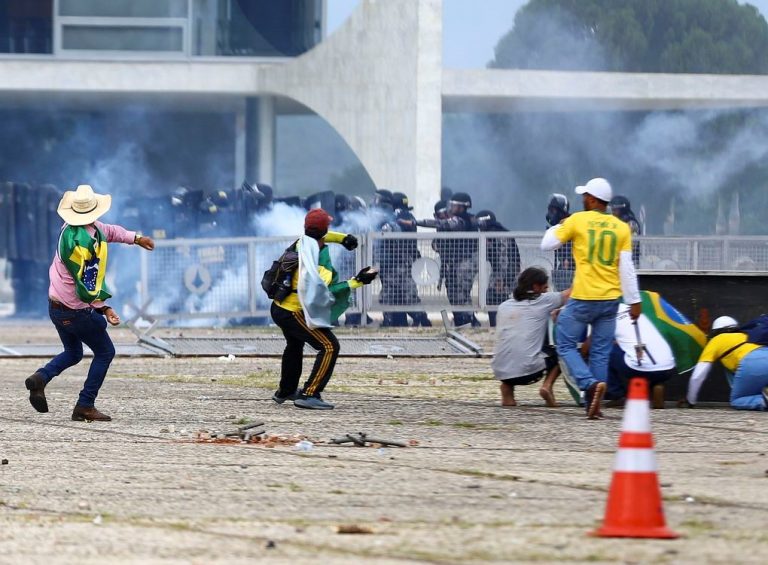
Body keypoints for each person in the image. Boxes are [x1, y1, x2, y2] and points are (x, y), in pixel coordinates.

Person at [24, 184, 155, 422]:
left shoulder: (74, 228)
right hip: (74, 310)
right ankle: (85, 405)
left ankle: (41, 378)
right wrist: (104, 308)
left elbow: (110, 231)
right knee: (105, 351)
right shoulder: (78, 247)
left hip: (56, 307)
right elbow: (87, 286)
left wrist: (136, 238)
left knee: (73, 352)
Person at [540, 178, 641, 419]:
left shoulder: (578, 220)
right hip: (611, 300)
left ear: (594, 200)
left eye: (585, 195)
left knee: (564, 343)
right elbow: (627, 268)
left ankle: (588, 384)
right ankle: (593, 405)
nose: (583, 199)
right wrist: (634, 301)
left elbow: (547, 244)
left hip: (584, 297)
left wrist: (560, 225)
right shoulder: (621, 228)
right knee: (600, 352)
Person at [270, 209, 376, 410]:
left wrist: (343, 239)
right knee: (329, 346)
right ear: (324, 230)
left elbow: (321, 235)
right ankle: (310, 394)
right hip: (293, 312)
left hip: (279, 307)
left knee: (295, 345)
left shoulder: (302, 242)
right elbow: (325, 291)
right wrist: (358, 281)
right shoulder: (318, 261)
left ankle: (286, 390)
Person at [606, 290, 705, 409]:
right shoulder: (643, 311)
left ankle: (617, 395)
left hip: (639, 369)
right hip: (668, 369)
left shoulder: (606, 315)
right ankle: (655, 386)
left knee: (603, 351)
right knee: (644, 357)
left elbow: (594, 344)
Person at [492, 267, 570, 407]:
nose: (547, 290)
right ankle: (547, 386)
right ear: (536, 287)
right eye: (545, 287)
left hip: (501, 371)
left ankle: (507, 391)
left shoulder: (504, 306)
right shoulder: (543, 300)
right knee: (564, 351)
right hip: (528, 372)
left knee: (515, 344)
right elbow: (571, 293)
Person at [417, 192, 479, 327]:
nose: (451, 209)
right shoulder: (448, 225)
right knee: (453, 295)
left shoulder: (463, 220)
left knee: (461, 295)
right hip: (452, 265)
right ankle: (461, 322)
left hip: (464, 263)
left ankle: (470, 322)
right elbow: (436, 244)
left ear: (462, 207)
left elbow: (444, 227)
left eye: (454, 206)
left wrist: (415, 222)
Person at [685, 316, 768, 411]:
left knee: (737, 400)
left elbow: (697, 376)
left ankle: (764, 399)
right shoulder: (749, 334)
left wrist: (691, 401)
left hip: (751, 363)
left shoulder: (717, 340)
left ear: (716, 331)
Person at [476, 210, 521, 327]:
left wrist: (502, 280)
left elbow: (504, 259)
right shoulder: (494, 233)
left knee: (496, 300)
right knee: (495, 301)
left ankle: (498, 328)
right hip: (504, 274)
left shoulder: (498, 234)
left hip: (505, 275)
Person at [545, 193, 574, 292]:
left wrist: (567, 260)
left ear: (561, 211)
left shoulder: (569, 224)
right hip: (563, 266)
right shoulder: (559, 227)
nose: (550, 214)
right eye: (550, 210)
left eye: (553, 211)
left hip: (570, 267)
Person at [609, 195, 642, 267]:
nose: (613, 212)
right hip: (618, 262)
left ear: (622, 210)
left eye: (615, 210)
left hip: (630, 263)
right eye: (612, 210)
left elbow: (631, 246)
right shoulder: (616, 221)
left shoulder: (631, 223)